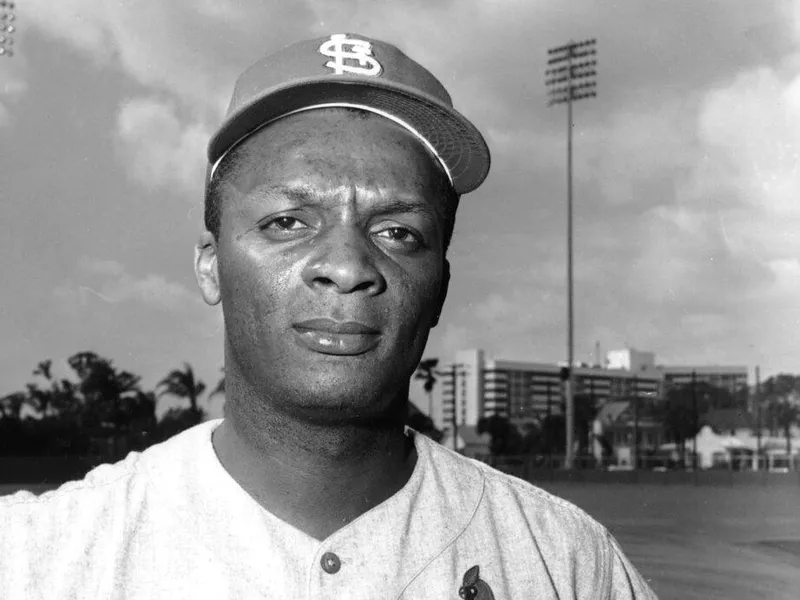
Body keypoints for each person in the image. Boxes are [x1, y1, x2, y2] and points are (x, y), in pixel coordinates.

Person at [0, 33, 658, 599]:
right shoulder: (35, 559)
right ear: (210, 266)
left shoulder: (568, 562)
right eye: (287, 222)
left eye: (398, 231)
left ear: (442, 284)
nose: (346, 265)